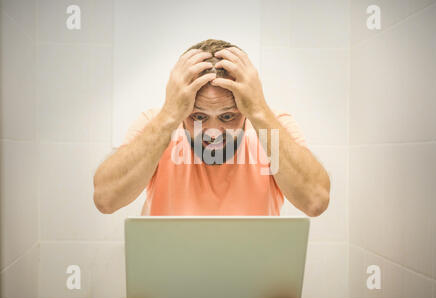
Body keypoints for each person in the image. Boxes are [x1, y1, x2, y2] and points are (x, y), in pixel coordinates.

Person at [93, 39, 330, 217]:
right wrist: (169, 114)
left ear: (245, 107)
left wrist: (259, 111)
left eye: (227, 116)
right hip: (169, 280)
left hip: (255, 282)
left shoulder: (271, 126)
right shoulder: (157, 124)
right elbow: (105, 199)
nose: (213, 131)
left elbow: (315, 202)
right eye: (198, 116)